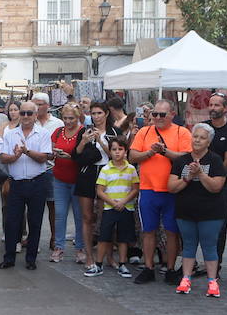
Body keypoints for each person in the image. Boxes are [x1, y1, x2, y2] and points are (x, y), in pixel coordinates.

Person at [128, 99, 191, 284]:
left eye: (162, 114)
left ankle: (170, 268)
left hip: (172, 190)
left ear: (172, 114)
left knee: (172, 231)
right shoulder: (144, 132)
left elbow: (186, 157)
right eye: (154, 114)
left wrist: (165, 152)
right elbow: (132, 156)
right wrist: (150, 152)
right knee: (148, 230)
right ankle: (148, 268)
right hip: (148, 189)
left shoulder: (182, 132)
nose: (157, 118)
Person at [167, 124, 227, 296]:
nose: (197, 140)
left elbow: (216, 187)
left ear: (209, 142)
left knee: (209, 246)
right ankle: (186, 279)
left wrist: (200, 174)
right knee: (188, 245)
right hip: (185, 211)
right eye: (195, 136)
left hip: (211, 213)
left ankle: (212, 282)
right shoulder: (181, 160)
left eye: (202, 138)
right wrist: (188, 177)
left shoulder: (215, 160)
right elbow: (171, 187)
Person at [0, 101, 53, 269]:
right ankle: (9, 258)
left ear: (36, 115)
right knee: (11, 222)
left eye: (29, 113)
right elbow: (3, 157)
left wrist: (26, 151)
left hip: (37, 182)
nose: (26, 116)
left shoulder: (43, 133)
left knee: (35, 222)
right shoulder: (10, 134)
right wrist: (15, 156)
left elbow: (44, 157)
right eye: (23, 113)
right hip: (16, 183)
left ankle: (31, 259)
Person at [85, 139, 139, 278]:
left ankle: (122, 264)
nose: (117, 152)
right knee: (104, 236)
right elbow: (100, 190)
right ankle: (98, 264)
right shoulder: (106, 169)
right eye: (114, 149)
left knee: (123, 238)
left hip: (126, 208)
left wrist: (123, 202)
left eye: (120, 149)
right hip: (109, 208)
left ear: (125, 151)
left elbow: (135, 189)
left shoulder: (131, 169)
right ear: (110, 152)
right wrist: (113, 203)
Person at [204, 93, 227, 275]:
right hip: (201, 182)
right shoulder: (203, 127)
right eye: (211, 104)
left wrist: (215, 180)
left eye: (217, 105)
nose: (212, 108)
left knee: (219, 227)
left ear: (225, 108)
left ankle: (215, 266)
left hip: (222, 185)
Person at [73, 103, 111, 264]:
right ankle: (89, 255)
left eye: (99, 113)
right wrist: (83, 141)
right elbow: (76, 155)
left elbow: (118, 155)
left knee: (106, 217)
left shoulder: (113, 132)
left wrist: (100, 141)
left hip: (108, 174)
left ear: (106, 114)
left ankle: (108, 256)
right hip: (87, 174)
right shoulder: (84, 131)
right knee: (87, 217)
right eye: (93, 113)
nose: (96, 116)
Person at [49, 104, 87, 263]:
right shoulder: (58, 132)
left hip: (78, 180)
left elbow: (86, 156)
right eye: (65, 118)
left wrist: (70, 157)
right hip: (59, 178)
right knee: (60, 214)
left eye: (71, 118)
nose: (68, 121)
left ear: (77, 117)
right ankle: (59, 247)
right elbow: (50, 151)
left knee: (79, 215)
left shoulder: (83, 132)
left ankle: (80, 248)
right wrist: (54, 153)